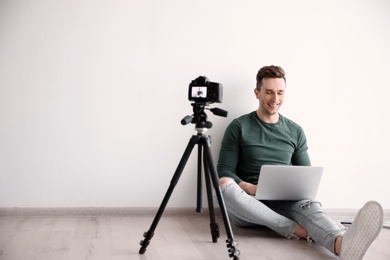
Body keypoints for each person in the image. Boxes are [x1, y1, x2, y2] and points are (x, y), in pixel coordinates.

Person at [216, 65, 384, 259]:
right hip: (248, 205)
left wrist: (296, 192)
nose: (275, 99)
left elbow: (306, 175)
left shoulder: (295, 131)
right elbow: (224, 170)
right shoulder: (239, 127)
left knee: (309, 204)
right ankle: (297, 230)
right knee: (224, 186)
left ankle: (340, 244)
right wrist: (250, 187)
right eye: (269, 92)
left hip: (286, 201)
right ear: (257, 92)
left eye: (280, 92)